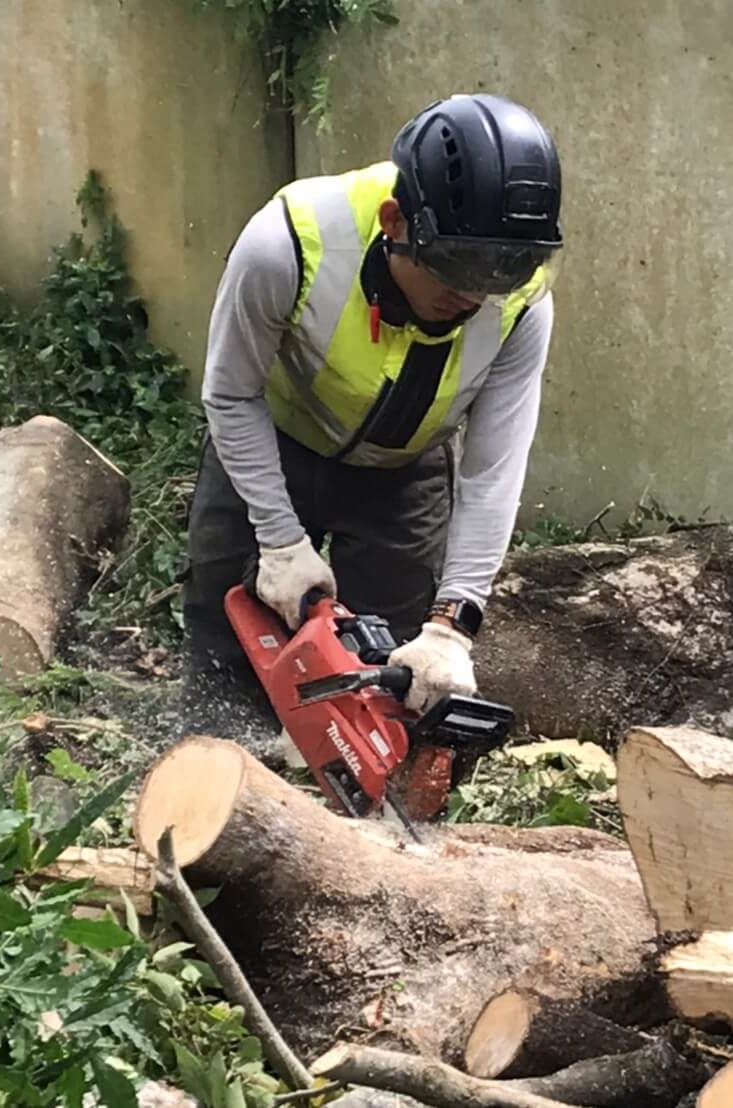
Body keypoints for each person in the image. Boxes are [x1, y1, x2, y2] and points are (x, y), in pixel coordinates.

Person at [180, 92, 563, 730]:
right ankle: (214, 774)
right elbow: (230, 391)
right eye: (455, 268)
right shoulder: (289, 242)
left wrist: (453, 623)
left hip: (403, 472)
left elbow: (493, 467)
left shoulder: (521, 304)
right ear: (395, 222)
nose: (472, 295)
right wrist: (278, 538)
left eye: (499, 271)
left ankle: (362, 816)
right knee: (228, 631)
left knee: (389, 681)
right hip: (273, 439)